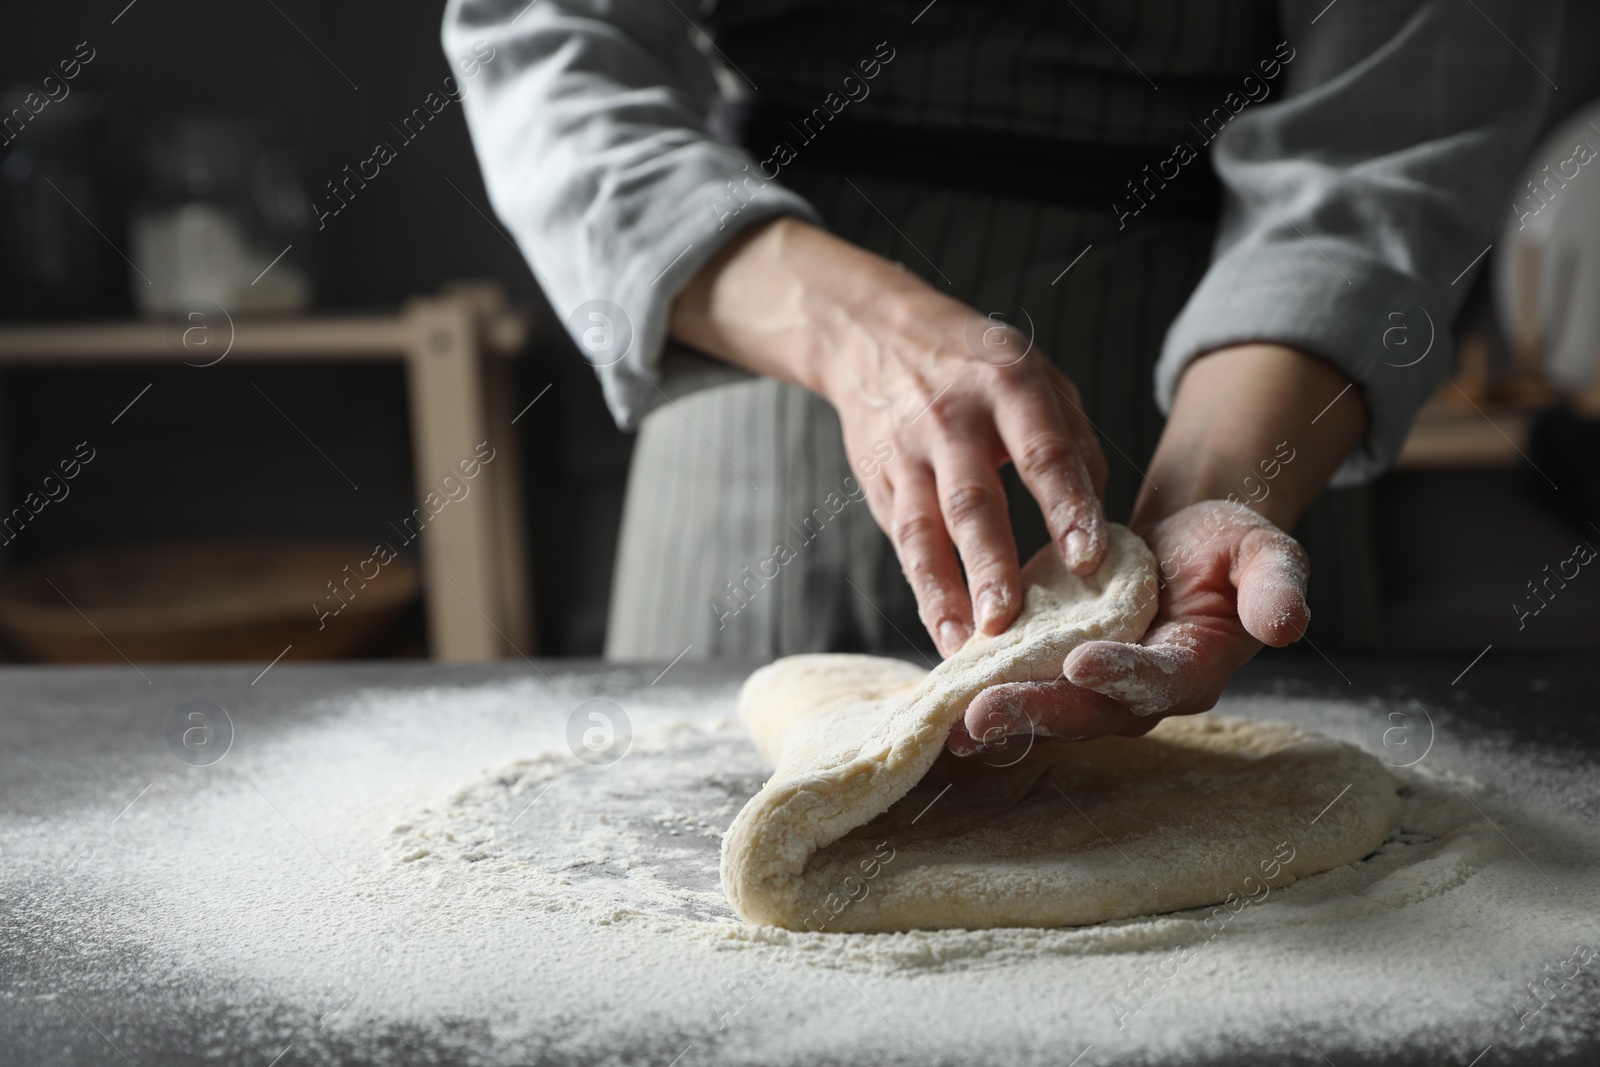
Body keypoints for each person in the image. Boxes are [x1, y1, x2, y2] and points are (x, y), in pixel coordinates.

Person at [443, 0, 1559, 750]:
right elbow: (541, 40)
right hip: (765, 362)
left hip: (1228, 383)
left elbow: (1395, 133)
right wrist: (858, 333)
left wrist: (1224, 488)